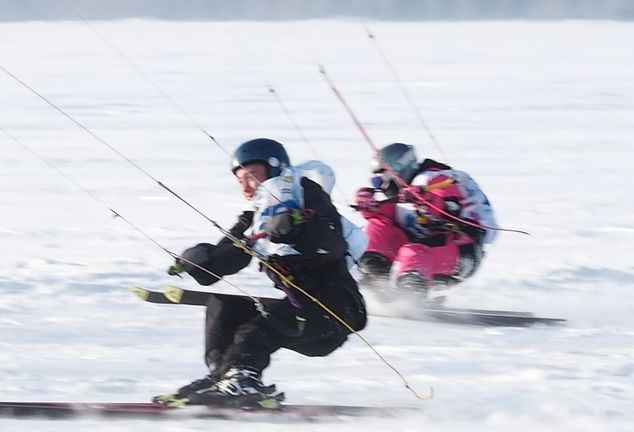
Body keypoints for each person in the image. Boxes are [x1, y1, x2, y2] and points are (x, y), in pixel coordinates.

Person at [161, 137, 368, 405]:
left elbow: (328, 246)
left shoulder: (307, 197)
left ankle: (243, 378)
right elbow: (230, 258)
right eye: (240, 180)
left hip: (335, 310)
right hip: (300, 307)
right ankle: (224, 374)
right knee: (223, 306)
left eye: (251, 176)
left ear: (273, 169)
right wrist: (202, 261)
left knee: (255, 330)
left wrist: (295, 231)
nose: (245, 186)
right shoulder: (255, 219)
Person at [351, 141, 497, 298]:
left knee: (413, 252)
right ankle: (375, 279)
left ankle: (410, 296)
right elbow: (385, 223)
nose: (380, 185)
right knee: (375, 227)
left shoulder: (435, 179)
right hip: (422, 253)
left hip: (460, 255)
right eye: (376, 181)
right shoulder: (404, 195)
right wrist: (370, 207)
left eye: (381, 179)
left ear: (399, 169)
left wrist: (425, 199)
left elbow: (447, 207)